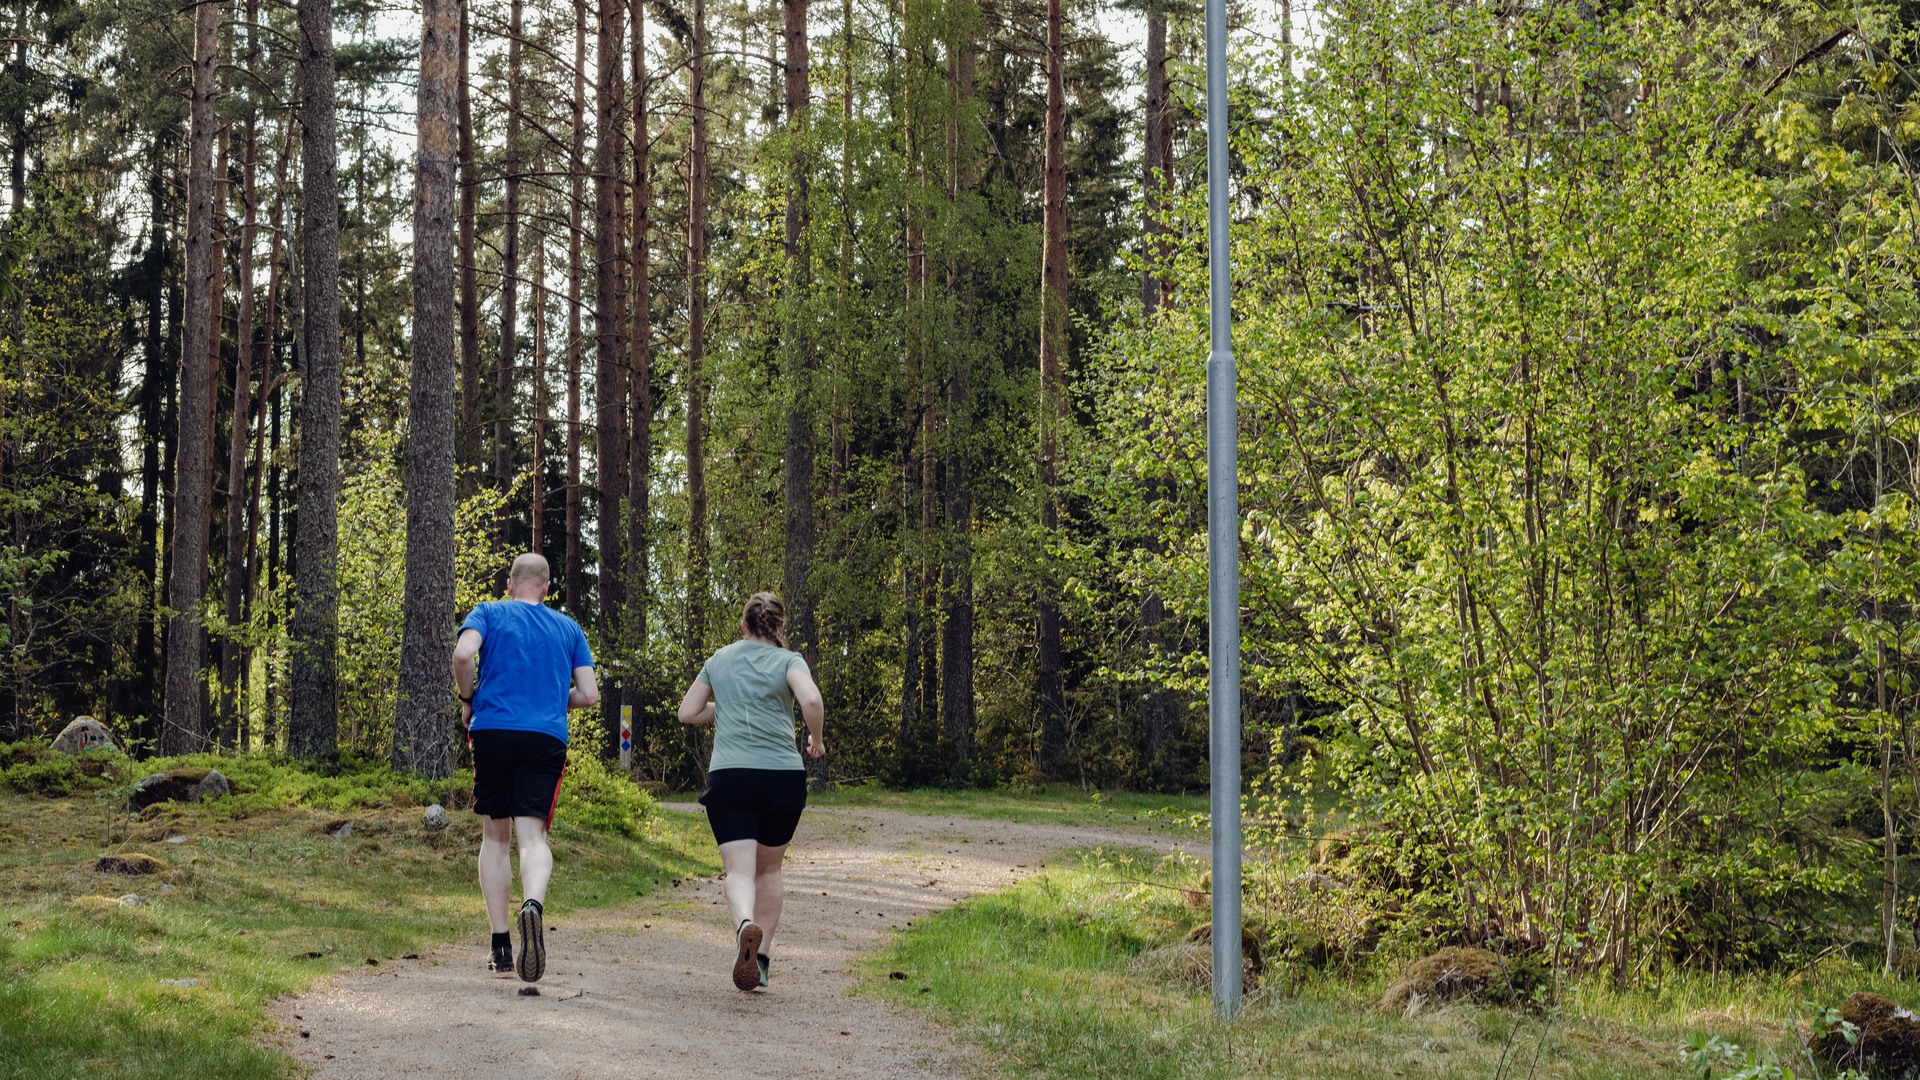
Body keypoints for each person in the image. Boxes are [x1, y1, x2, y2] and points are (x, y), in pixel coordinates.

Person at [451, 553, 599, 982]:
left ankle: (500, 946)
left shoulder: (489, 612)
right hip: (545, 735)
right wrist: (553, 700)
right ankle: (532, 906)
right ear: (548, 587)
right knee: (532, 836)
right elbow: (589, 695)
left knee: (495, 837)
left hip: (494, 729)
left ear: (511, 584)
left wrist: (468, 700)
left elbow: (463, 656)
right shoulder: (569, 628)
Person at [676, 592, 825, 991]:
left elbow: (687, 712)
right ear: (779, 628)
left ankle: (744, 923)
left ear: (743, 626)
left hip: (731, 776)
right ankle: (759, 961)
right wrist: (816, 739)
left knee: (739, 870)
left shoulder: (719, 660)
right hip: (781, 776)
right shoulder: (789, 660)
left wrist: (720, 710)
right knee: (770, 868)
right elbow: (810, 697)